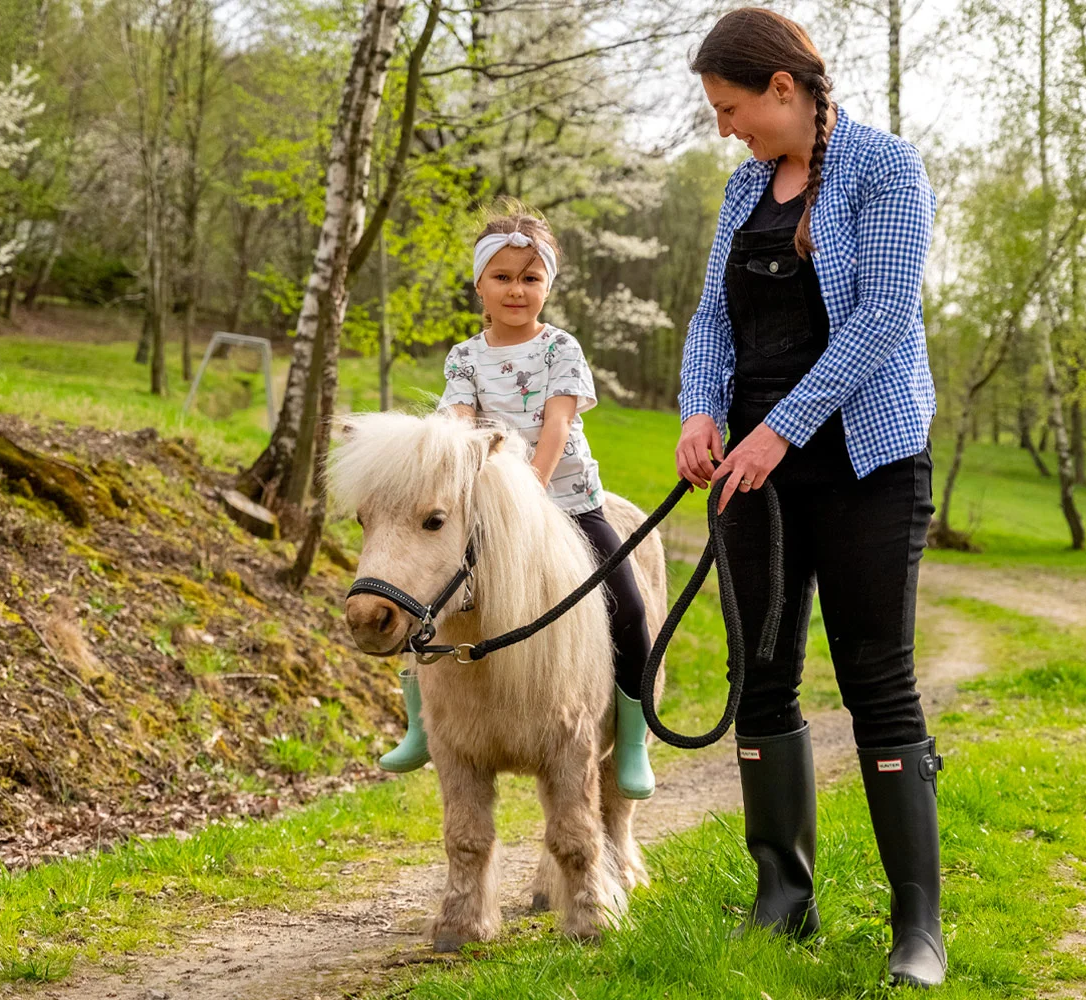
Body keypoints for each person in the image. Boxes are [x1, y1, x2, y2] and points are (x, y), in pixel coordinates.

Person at [677, 8, 944, 988]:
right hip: (749, 471)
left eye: (731, 107)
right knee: (760, 672)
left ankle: (917, 927)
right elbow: (712, 314)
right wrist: (701, 412)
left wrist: (780, 427)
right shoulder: (745, 188)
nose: (724, 128)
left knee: (876, 677)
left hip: (865, 466)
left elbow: (881, 316)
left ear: (782, 88)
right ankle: (781, 900)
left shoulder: (884, 169)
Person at [377, 200, 658, 800]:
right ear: (479, 284)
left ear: (547, 287)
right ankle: (422, 724)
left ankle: (631, 739)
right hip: (489, 518)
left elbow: (556, 426)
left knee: (629, 608)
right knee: (428, 599)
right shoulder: (464, 357)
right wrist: (442, 446)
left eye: (530, 279)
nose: (516, 290)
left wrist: (530, 486)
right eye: (502, 277)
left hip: (567, 503)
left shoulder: (560, 349)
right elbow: (456, 418)